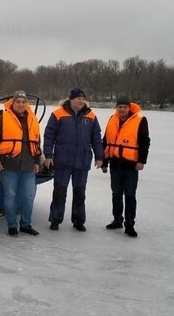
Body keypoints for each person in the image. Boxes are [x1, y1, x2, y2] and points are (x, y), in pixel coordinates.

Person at [43, 88, 103, 232]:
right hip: (63, 160)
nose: (81, 101)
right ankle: (55, 220)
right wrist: (48, 156)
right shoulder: (58, 114)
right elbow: (49, 136)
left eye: (83, 99)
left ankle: (78, 221)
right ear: (71, 99)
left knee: (80, 193)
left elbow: (96, 138)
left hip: (82, 160)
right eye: (78, 99)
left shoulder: (91, 116)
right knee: (59, 192)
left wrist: (99, 157)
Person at [0, 91, 42, 237]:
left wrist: (37, 161)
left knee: (28, 197)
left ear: (26, 104)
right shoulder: (3, 117)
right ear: (13, 103)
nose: (21, 104)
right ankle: (12, 225)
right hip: (9, 165)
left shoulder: (33, 119)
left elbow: (37, 142)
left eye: (23, 101)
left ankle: (25, 224)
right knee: (10, 195)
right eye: (18, 101)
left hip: (29, 166)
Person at [102, 96, 150, 237]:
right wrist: (105, 162)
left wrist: (141, 161)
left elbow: (145, 142)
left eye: (125, 107)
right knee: (116, 193)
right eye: (120, 107)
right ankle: (117, 219)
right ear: (116, 107)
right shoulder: (112, 119)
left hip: (131, 165)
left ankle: (129, 224)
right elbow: (106, 141)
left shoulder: (140, 120)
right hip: (115, 164)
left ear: (129, 108)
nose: (122, 109)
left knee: (129, 194)